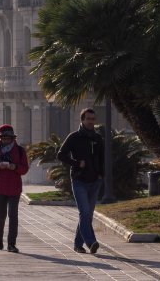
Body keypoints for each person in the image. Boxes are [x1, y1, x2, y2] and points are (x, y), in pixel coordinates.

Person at [57, 108, 104, 254]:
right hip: (79, 180)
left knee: (88, 214)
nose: (91, 121)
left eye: (93, 119)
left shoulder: (98, 138)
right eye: (88, 119)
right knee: (84, 212)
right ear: (82, 120)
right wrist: (77, 163)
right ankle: (91, 242)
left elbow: (103, 158)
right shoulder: (74, 137)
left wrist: (102, 175)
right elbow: (61, 155)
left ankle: (78, 244)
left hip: (95, 181)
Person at [0, 124, 29, 253]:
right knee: (1, 214)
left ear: (13, 138)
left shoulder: (20, 150)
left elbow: (24, 168)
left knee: (13, 215)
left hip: (15, 187)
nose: (6, 141)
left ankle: (11, 244)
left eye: (9, 138)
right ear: (0, 138)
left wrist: (15, 167)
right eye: (4, 138)